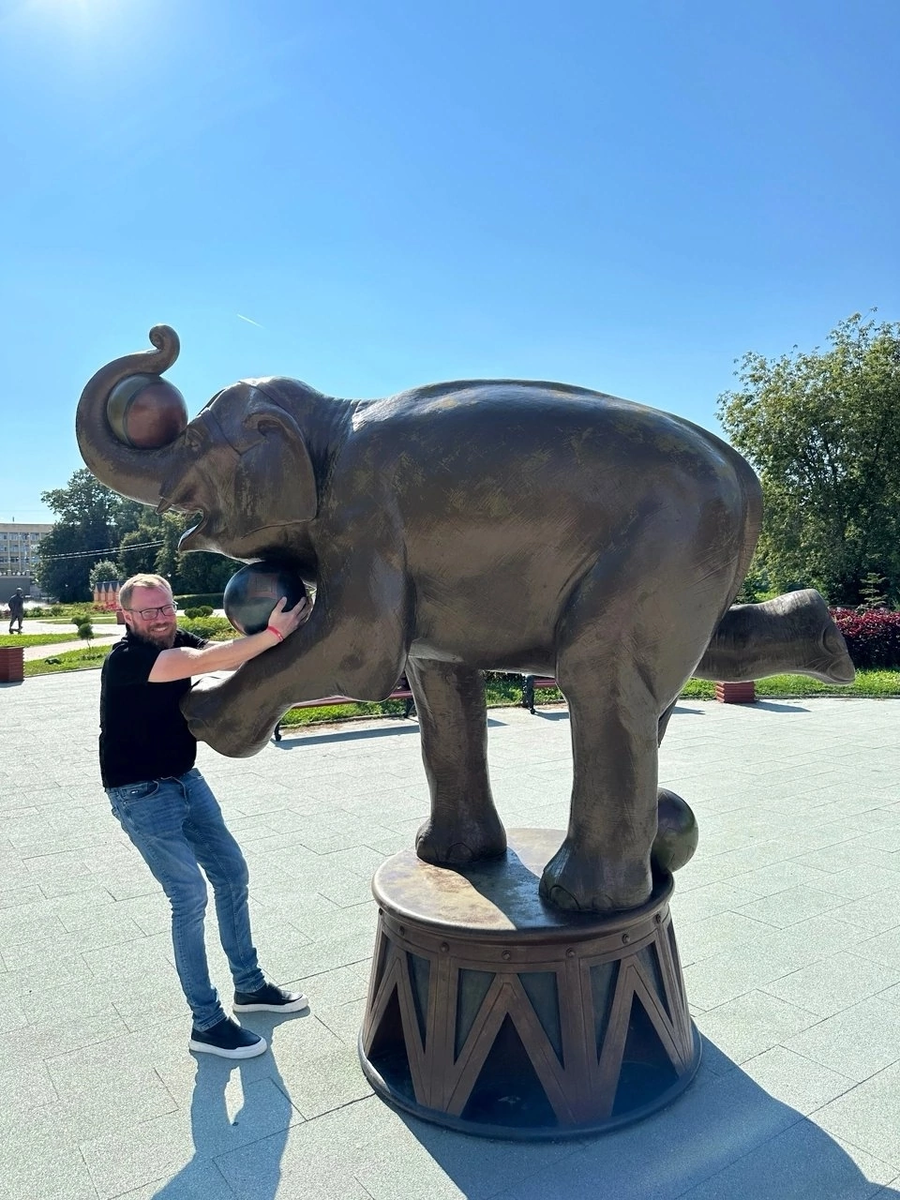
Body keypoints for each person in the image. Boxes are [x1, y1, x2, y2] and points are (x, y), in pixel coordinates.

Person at [100, 572, 310, 1059]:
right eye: (148, 611)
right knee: (189, 896)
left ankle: (249, 986)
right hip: (139, 793)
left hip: (184, 780)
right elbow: (202, 662)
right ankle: (207, 1023)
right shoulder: (127, 659)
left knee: (232, 874)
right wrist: (271, 634)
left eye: (166, 607)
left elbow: (223, 651)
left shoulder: (174, 638)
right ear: (125, 616)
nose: (160, 618)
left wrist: (282, 632)